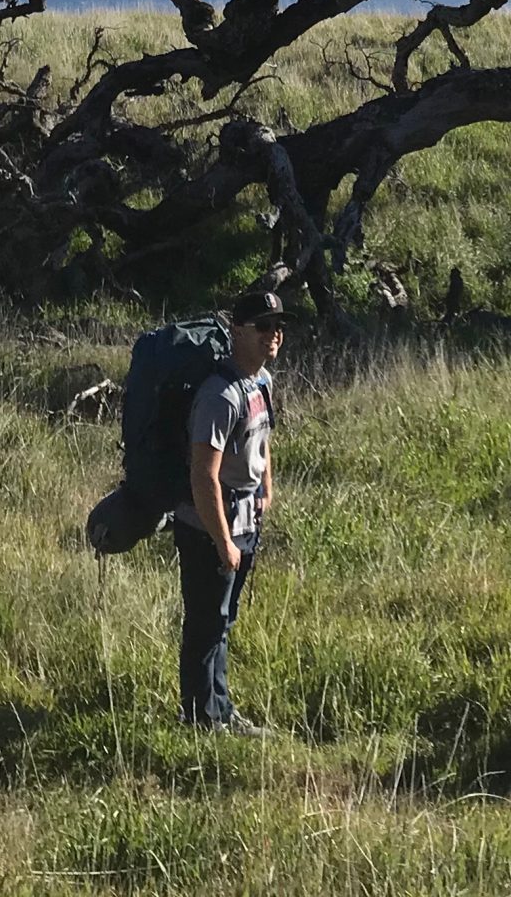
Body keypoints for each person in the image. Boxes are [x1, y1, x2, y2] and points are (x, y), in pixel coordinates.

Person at [171, 287, 284, 733]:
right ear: (237, 330)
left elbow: (262, 440)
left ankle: (220, 709)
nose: (272, 335)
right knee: (205, 622)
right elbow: (204, 474)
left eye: (278, 327)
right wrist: (221, 541)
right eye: (262, 326)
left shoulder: (261, 383)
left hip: (244, 521)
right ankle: (199, 719)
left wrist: (266, 487)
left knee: (224, 619)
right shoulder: (220, 395)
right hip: (209, 523)